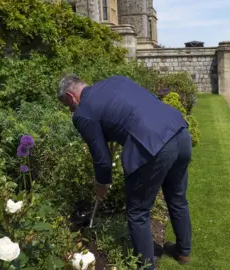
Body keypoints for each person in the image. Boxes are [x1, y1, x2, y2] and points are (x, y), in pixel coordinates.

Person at [57, 74, 192, 268]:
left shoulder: (82, 112)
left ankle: (145, 267)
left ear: (71, 97)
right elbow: (143, 105)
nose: (71, 110)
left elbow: (101, 159)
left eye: (68, 106)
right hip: (179, 131)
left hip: (153, 146)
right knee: (177, 197)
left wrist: (102, 183)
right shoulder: (115, 80)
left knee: (138, 212)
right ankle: (183, 252)